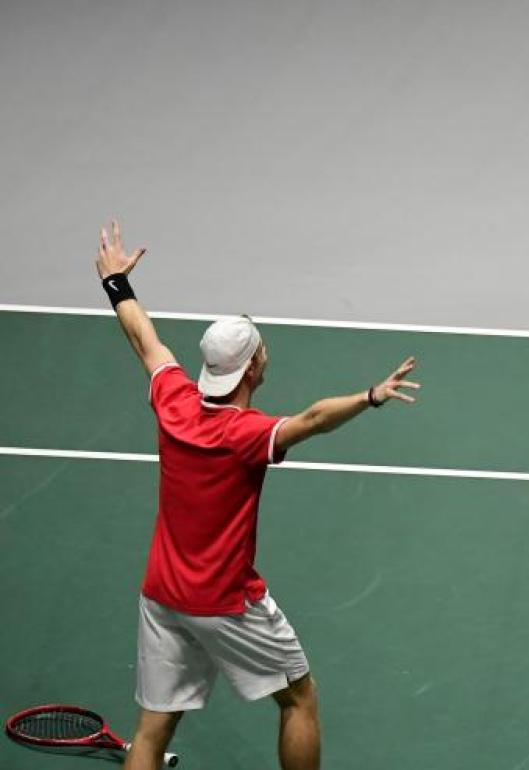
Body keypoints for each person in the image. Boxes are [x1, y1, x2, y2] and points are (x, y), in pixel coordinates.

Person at [95, 221, 420, 770]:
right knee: (298, 698)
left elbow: (144, 338)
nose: (265, 354)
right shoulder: (245, 435)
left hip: (162, 595)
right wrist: (371, 396)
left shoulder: (173, 400)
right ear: (251, 368)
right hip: (226, 602)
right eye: (260, 350)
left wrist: (117, 286)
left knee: (151, 732)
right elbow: (314, 418)